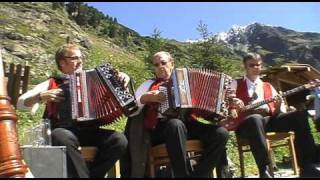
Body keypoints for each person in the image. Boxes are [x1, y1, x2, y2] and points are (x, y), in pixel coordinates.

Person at [17, 44, 128, 178]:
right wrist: (40, 96)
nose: (80, 61)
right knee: (61, 135)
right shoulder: (52, 82)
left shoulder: (93, 78)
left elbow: (115, 81)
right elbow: (21, 104)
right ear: (62, 62)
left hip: (89, 132)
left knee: (119, 140)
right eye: (75, 58)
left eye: (81, 57)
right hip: (64, 132)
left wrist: (122, 76)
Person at [121, 51, 229, 178]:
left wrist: (223, 106)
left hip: (188, 124)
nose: (160, 66)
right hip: (160, 129)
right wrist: (144, 98)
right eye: (156, 65)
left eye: (163, 63)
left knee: (221, 133)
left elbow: (206, 107)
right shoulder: (148, 85)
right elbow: (130, 110)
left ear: (172, 64)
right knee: (175, 124)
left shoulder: (187, 81)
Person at [229, 52, 320, 178]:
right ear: (244, 66)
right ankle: (264, 170)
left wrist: (277, 105)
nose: (256, 68)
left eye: (258, 65)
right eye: (252, 65)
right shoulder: (235, 83)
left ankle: (307, 166)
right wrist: (234, 102)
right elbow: (227, 100)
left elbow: (277, 113)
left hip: (268, 120)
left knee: (299, 116)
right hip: (246, 124)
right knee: (255, 119)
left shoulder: (268, 86)